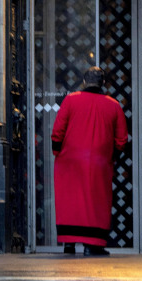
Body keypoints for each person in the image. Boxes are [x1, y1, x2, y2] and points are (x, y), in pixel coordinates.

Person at [51, 67, 128, 256]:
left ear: (84, 82)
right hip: (99, 163)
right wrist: (112, 157)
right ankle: (92, 245)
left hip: (69, 161)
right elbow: (122, 139)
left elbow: (57, 131)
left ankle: (68, 243)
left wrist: (58, 152)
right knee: (96, 203)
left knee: (70, 201)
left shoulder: (70, 100)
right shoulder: (114, 105)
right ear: (103, 83)